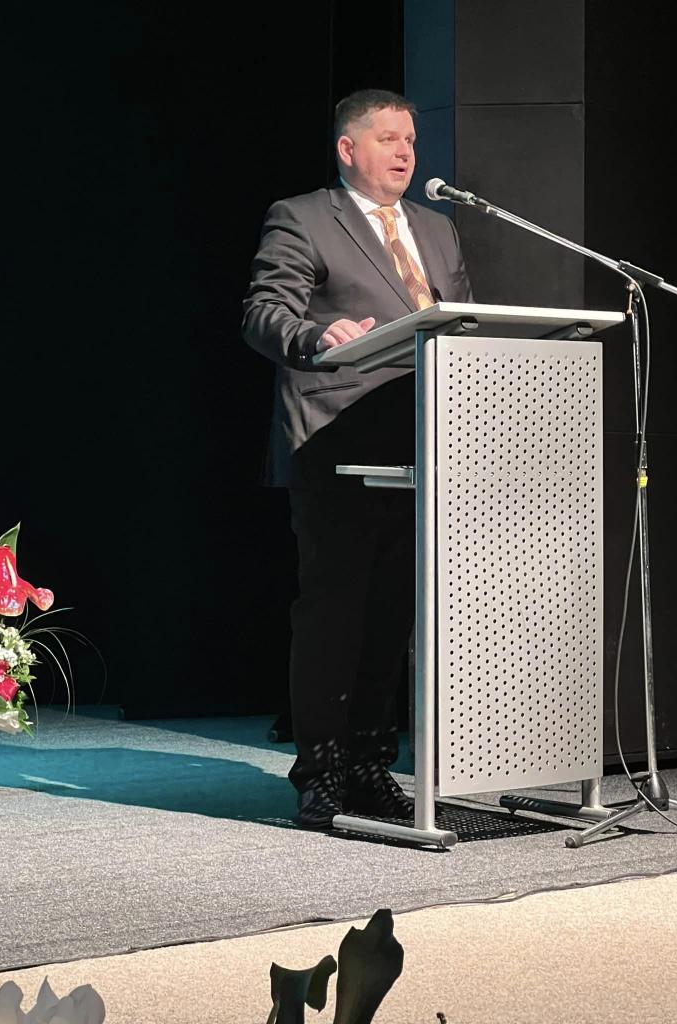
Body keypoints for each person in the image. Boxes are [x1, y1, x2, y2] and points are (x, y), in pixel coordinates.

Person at [242, 89, 473, 829]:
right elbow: (264, 312)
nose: (405, 153)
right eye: (388, 139)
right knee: (335, 616)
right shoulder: (304, 216)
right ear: (348, 149)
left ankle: (372, 766)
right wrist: (316, 336)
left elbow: (461, 325)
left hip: (421, 447)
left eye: (411, 140)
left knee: (390, 619)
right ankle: (322, 772)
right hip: (336, 445)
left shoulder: (437, 228)